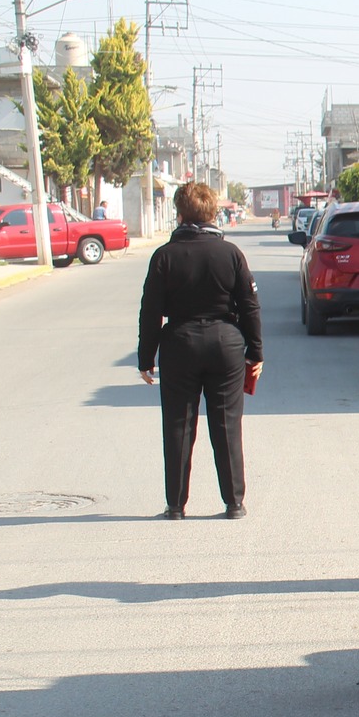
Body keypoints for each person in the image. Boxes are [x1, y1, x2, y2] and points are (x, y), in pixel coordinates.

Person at [137, 181, 263, 519]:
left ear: (179, 214)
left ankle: (176, 505)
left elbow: (151, 311)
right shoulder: (231, 254)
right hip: (226, 343)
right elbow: (249, 306)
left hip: (180, 342)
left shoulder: (164, 256)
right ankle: (234, 503)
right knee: (227, 424)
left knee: (178, 424)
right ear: (212, 213)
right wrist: (256, 352)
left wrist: (146, 358)